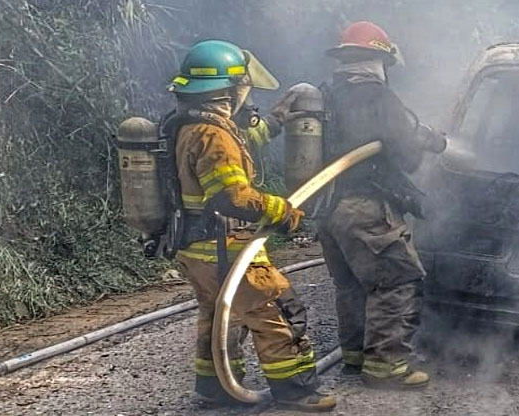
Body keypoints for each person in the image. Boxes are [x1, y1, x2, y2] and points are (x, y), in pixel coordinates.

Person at [163, 39, 335, 411]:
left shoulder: (187, 125)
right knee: (276, 310)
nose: (246, 95)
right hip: (225, 247)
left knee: (219, 316)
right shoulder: (214, 135)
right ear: (229, 87)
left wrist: (273, 122)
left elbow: (240, 143)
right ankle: (297, 391)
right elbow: (232, 196)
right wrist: (281, 209)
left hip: (195, 248)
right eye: (244, 87)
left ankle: (215, 388)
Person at [317, 21, 445, 389]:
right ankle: (386, 366)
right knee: (396, 279)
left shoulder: (326, 95)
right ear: (379, 59)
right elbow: (405, 155)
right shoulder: (380, 97)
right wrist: (428, 144)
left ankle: (355, 358)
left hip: (328, 208)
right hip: (365, 207)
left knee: (352, 284)